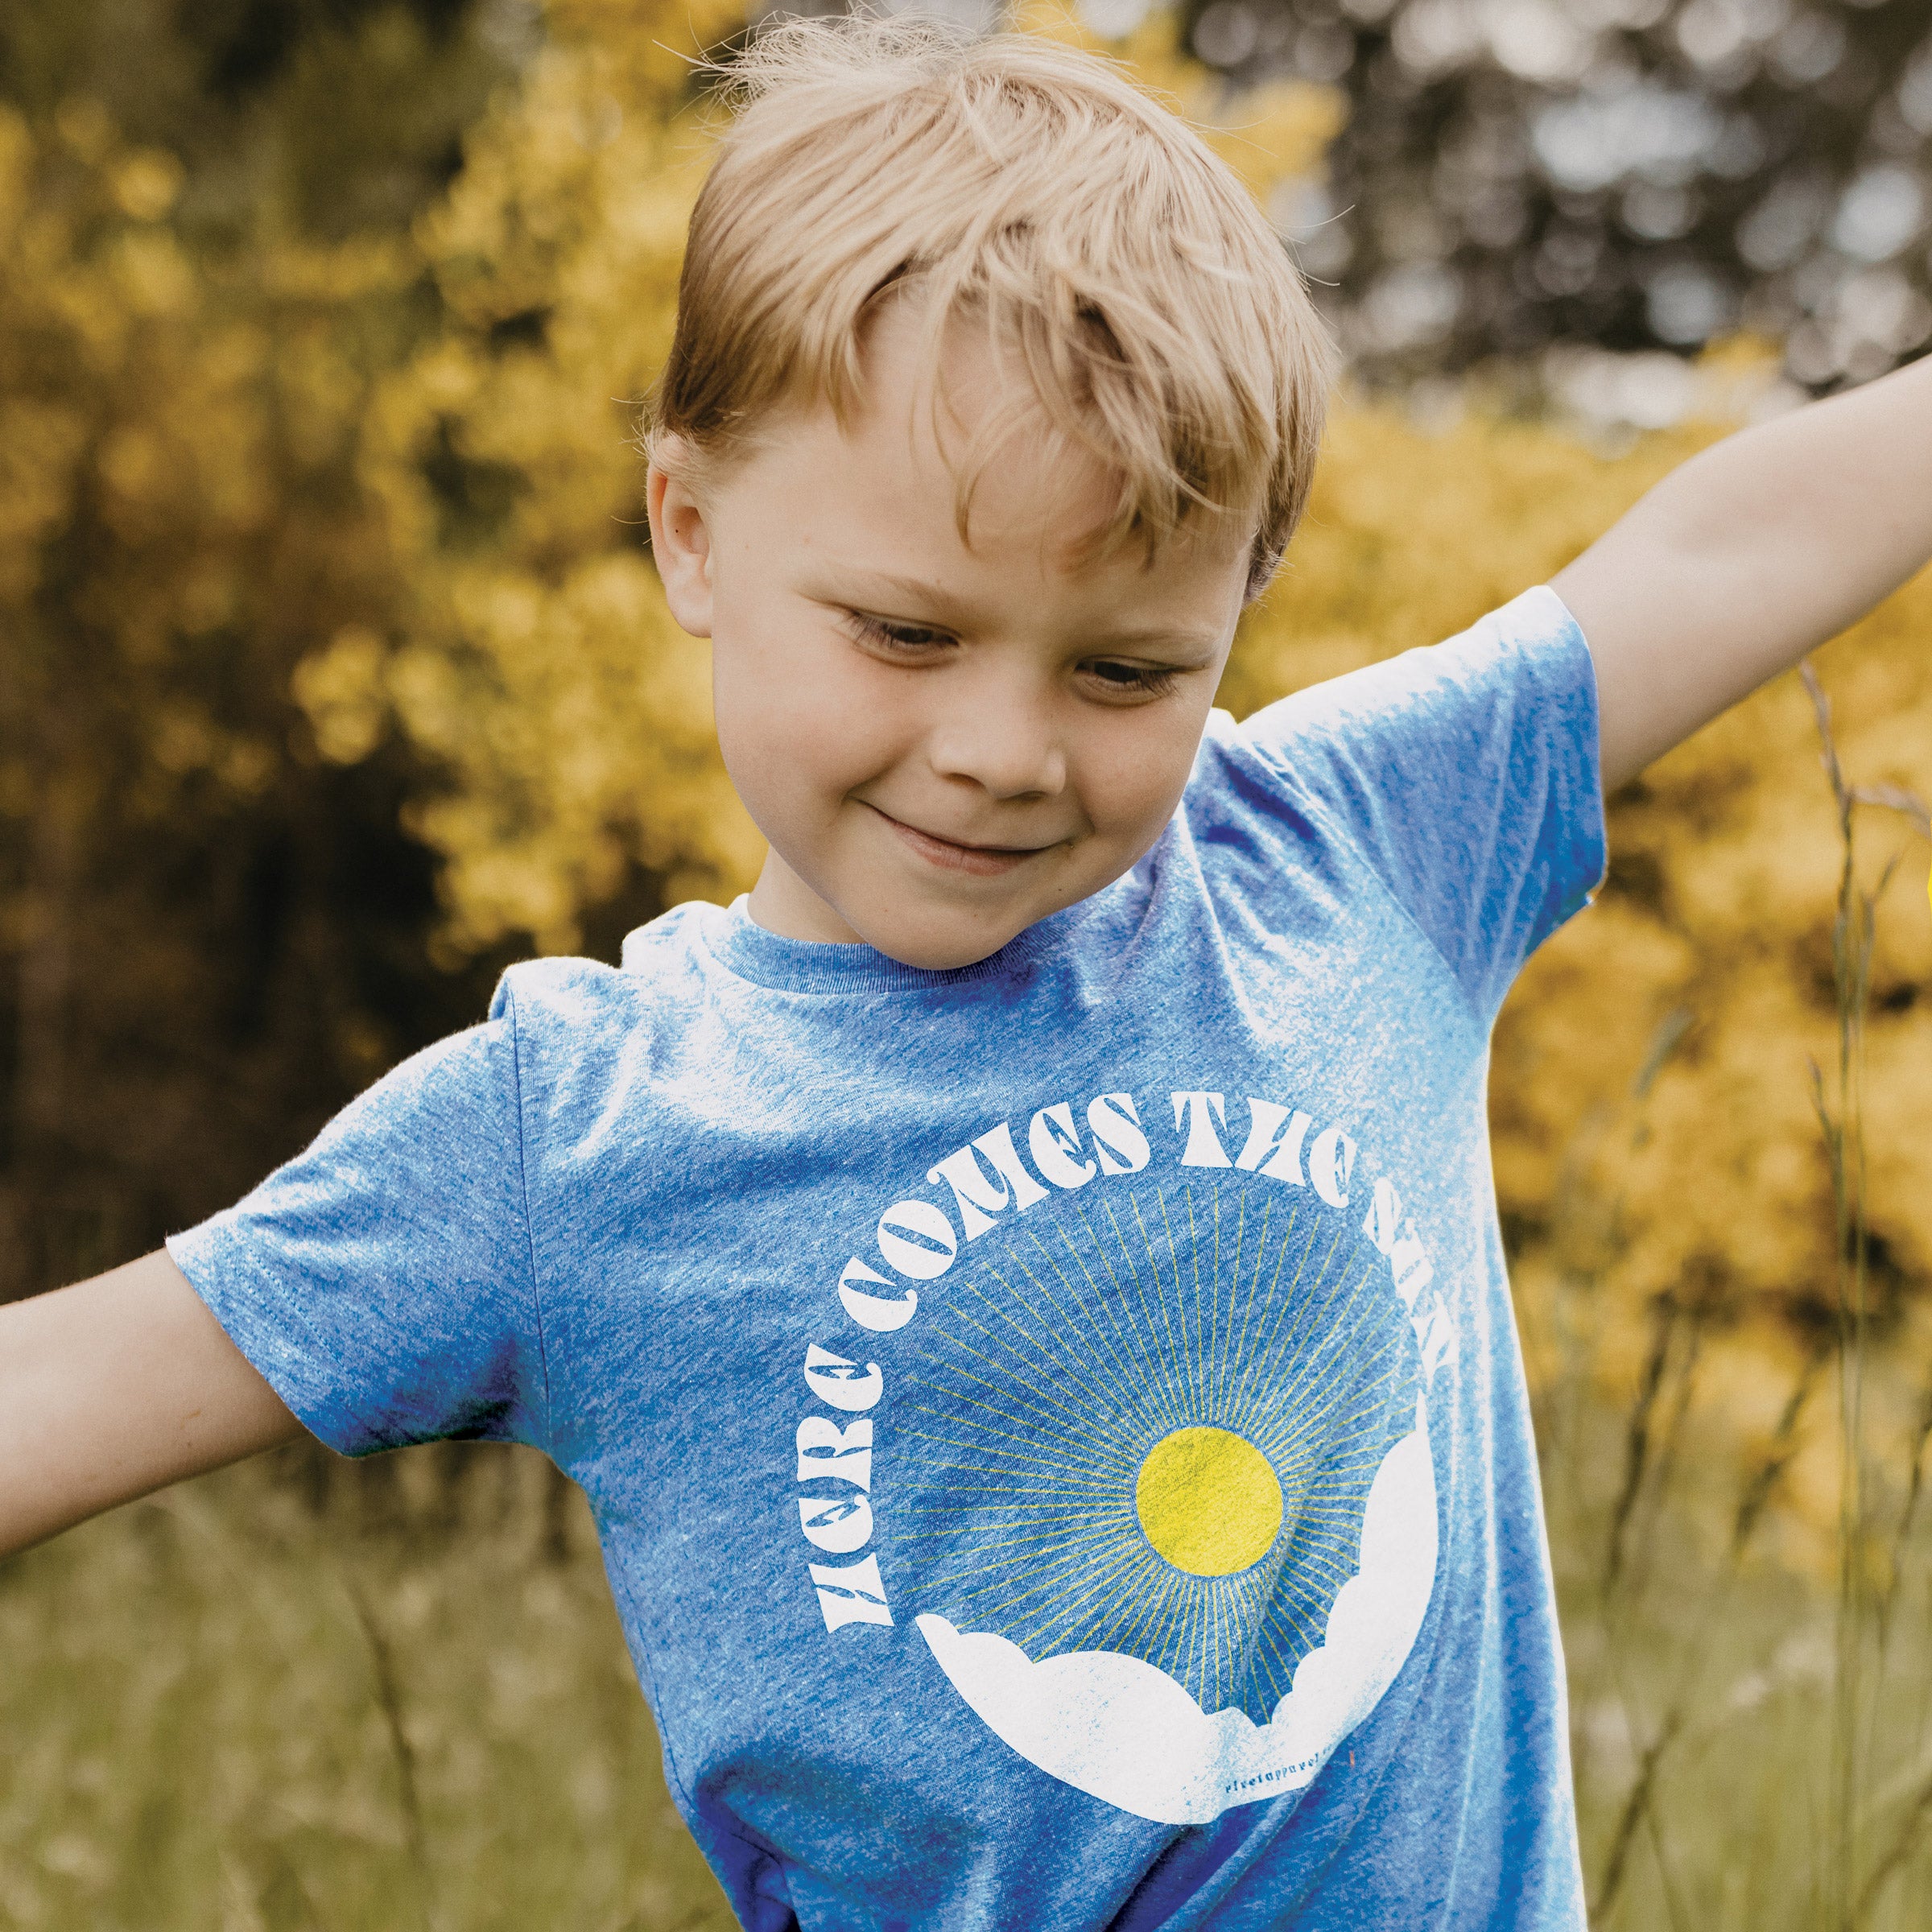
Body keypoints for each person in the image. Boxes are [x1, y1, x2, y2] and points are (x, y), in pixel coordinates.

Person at [3, 17, 1928, 1929]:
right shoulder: (568, 1141)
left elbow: (1710, 549)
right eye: (909, 633)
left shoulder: (1353, 854)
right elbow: (79, 1380)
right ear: (688, 529)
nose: (1006, 747)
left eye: (1124, 670)